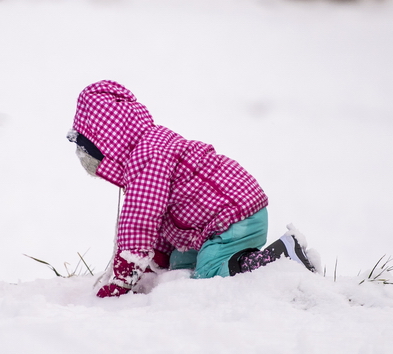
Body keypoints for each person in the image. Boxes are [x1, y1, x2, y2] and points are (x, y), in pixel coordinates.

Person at [67, 80, 317, 298]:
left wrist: (126, 272)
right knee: (180, 263)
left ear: (109, 143)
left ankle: (282, 257)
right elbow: (161, 216)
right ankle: (240, 260)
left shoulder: (146, 157)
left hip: (233, 216)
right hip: (232, 212)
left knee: (209, 272)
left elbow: (141, 218)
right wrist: (158, 257)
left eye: (89, 151)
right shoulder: (152, 146)